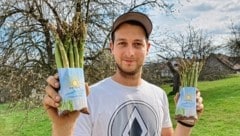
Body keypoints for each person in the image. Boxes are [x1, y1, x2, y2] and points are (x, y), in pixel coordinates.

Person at [43, 12, 204, 136]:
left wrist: (185, 124)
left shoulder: (159, 95)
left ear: (147, 48)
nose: (130, 52)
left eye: (137, 44)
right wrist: (62, 127)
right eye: (122, 43)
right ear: (111, 47)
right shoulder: (88, 98)